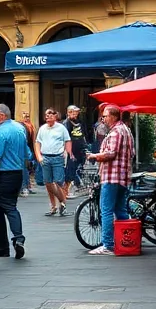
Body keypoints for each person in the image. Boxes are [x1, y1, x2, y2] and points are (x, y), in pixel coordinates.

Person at [86, 104, 134, 256]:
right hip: (123, 176)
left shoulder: (116, 132)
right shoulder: (126, 130)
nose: (103, 119)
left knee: (106, 210)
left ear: (113, 117)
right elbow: (131, 153)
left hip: (112, 176)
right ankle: (127, 241)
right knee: (120, 210)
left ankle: (108, 245)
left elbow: (111, 153)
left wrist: (94, 156)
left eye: (105, 116)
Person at [0, 104, 27, 260]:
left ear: (1, 115)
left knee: (5, 208)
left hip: (3, 175)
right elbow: (26, 153)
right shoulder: (20, 129)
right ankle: (6, 243)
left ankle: (14, 240)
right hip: (17, 173)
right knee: (3, 207)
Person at [35, 109, 72, 216]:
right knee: (48, 183)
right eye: (46, 115)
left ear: (55, 116)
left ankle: (63, 204)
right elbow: (37, 143)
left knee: (58, 182)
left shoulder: (61, 128)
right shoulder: (42, 129)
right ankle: (53, 206)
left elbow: (67, 140)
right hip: (45, 157)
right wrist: (39, 157)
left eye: (51, 115)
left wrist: (67, 153)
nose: (48, 117)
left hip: (57, 157)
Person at [64, 105, 89, 198]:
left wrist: (86, 147)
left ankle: (77, 186)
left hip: (80, 149)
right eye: (73, 112)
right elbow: (66, 138)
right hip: (72, 150)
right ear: (69, 113)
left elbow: (83, 135)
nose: (75, 114)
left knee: (80, 168)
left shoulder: (80, 122)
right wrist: (69, 151)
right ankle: (68, 190)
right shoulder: (66, 123)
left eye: (76, 112)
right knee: (71, 170)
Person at [21, 112, 38, 194]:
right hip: (25, 149)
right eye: (25, 116)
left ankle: (27, 186)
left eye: (28, 116)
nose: (27, 118)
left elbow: (33, 139)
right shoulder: (22, 126)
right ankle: (25, 187)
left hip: (30, 149)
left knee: (27, 168)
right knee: (25, 168)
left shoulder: (31, 126)